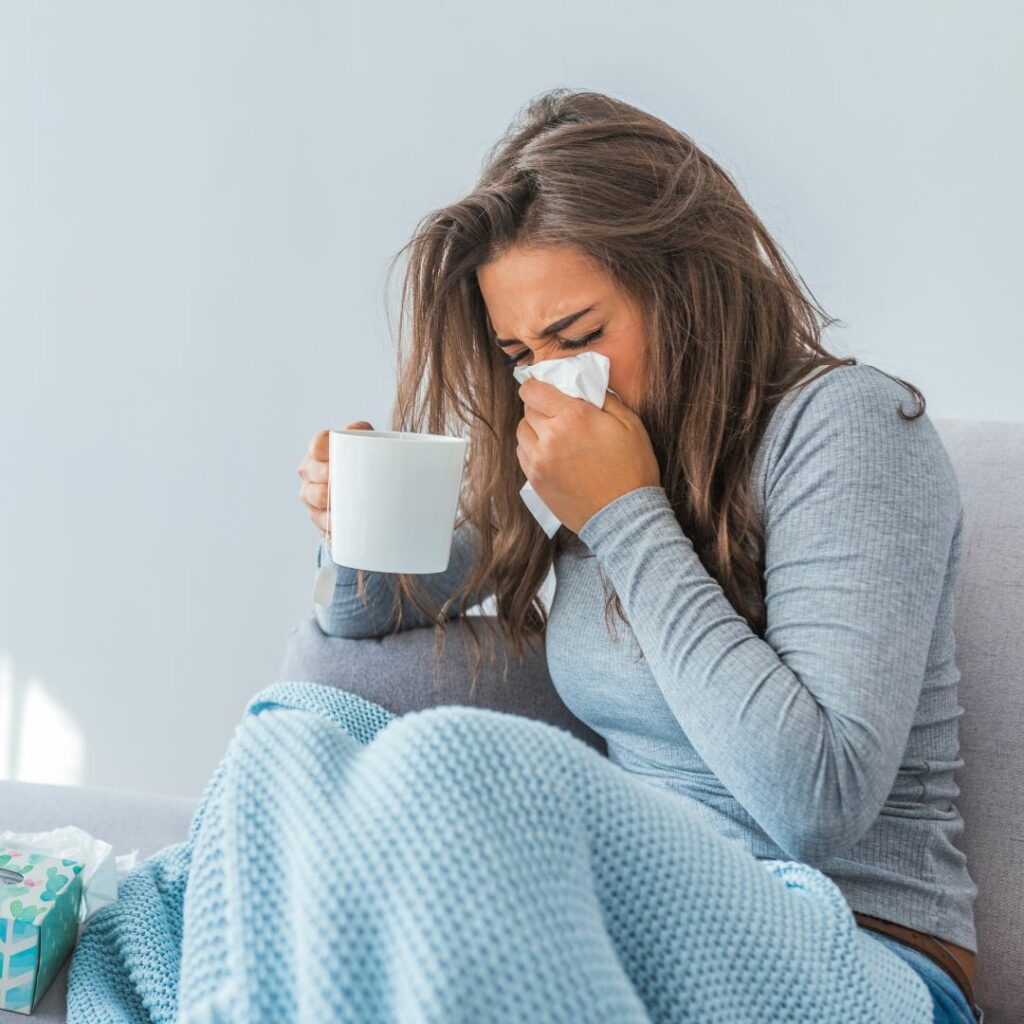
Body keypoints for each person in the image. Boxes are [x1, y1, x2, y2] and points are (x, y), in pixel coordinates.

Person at [296, 88, 982, 1023]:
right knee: (297, 734)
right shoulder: (589, 456)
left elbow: (817, 801)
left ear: (687, 286)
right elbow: (367, 617)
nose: (553, 381)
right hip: (636, 933)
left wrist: (624, 513)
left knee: (446, 768)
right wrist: (352, 532)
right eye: (521, 353)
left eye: (579, 337)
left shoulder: (848, 427)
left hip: (863, 961)